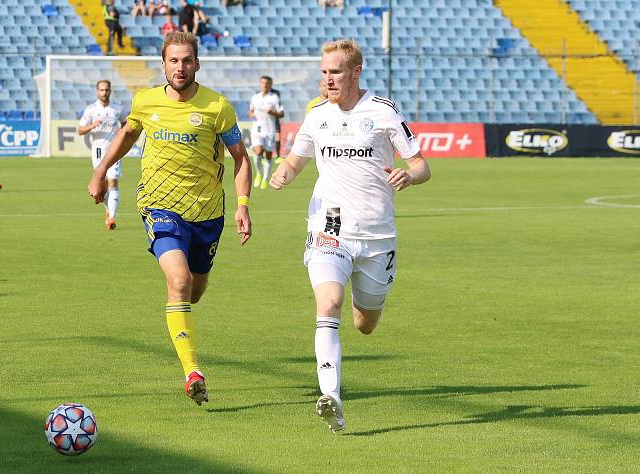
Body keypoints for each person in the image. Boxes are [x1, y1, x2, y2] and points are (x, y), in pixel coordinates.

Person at [269, 39, 431, 433]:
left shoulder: (383, 112)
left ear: (356, 72)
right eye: (324, 72)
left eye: (335, 72)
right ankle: (332, 397)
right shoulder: (316, 115)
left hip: (377, 234)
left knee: (365, 322)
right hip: (329, 226)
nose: (328, 79)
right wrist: (284, 173)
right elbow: (296, 159)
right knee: (329, 304)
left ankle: (367, 309)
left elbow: (422, 165)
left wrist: (408, 175)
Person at [88, 32, 252, 406]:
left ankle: (183, 319)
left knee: (193, 289)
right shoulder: (145, 101)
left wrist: (243, 204)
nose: (180, 67)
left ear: (197, 63)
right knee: (178, 281)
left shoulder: (217, 106)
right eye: (173, 61)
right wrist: (100, 171)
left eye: (187, 60)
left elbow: (241, 157)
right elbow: (128, 134)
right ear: (163, 64)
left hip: (208, 212)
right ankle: (192, 371)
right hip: (160, 205)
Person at [78, 80, 124, 230]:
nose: (104, 93)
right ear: (97, 92)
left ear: (110, 91)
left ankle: (111, 217)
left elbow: (125, 124)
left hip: (114, 150)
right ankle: (108, 210)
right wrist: (93, 125)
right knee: (102, 187)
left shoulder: (117, 108)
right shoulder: (91, 110)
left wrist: (121, 132)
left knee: (113, 182)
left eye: (107, 90)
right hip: (98, 150)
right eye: (101, 90)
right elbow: (80, 130)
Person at [248, 75, 283, 189]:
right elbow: (251, 111)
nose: (265, 85)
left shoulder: (274, 98)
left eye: (267, 83)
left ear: (270, 85)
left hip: (270, 130)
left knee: (268, 155)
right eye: (263, 83)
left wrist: (273, 112)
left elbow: (282, 113)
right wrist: (252, 114)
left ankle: (265, 178)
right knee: (258, 152)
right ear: (260, 83)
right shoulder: (255, 97)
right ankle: (258, 172)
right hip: (257, 128)